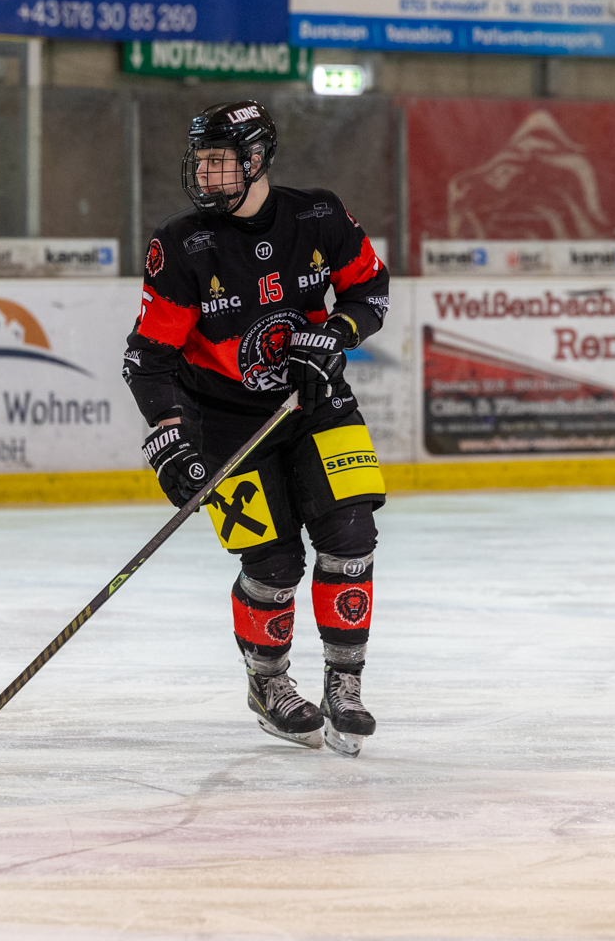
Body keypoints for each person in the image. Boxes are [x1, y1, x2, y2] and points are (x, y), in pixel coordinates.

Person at [123, 101, 390, 757]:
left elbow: (370, 290)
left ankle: (345, 684)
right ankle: (268, 683)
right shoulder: (181, 245)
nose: (205, 175)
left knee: (350, 534)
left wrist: (334, 334)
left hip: (315, 402)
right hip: (223, 421)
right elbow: (148, 359)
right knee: (273, 561)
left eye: (220, 162)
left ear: (258, 158)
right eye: (201, 162)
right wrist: (170, 438)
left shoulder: (318, 215)